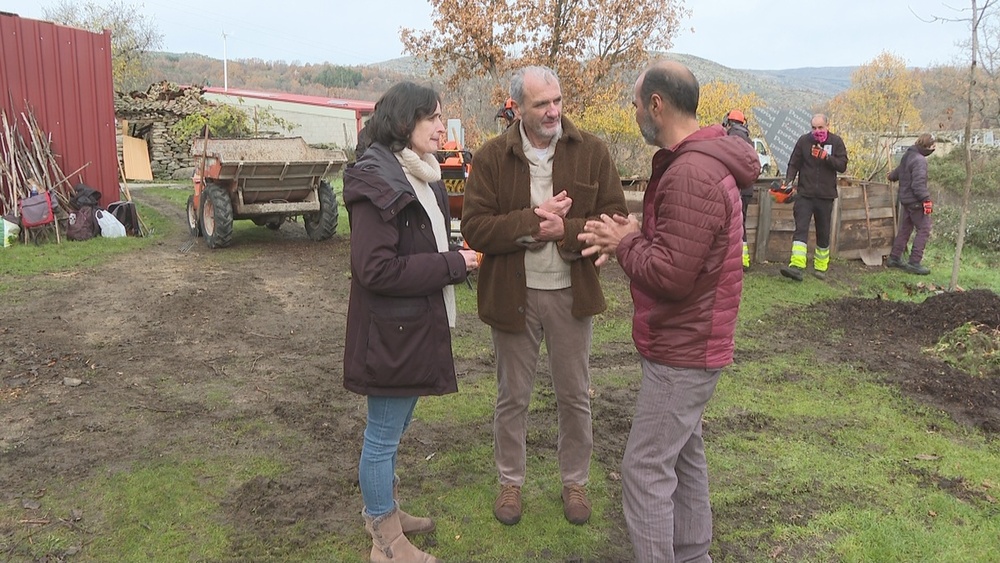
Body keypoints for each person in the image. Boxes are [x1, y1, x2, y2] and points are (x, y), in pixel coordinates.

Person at [578, 60, 759, 562]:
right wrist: (639, 234)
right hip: (696, 341)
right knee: (684, 453)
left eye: (636, 104)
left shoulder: (691, 172)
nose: (634, 113)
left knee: (645, 468)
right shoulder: (700, 162)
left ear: (657, 104)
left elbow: (673, 276)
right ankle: (693, 554)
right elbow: (684, 252)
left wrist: (628, 241)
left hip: (684, 347)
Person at [461, 65, 628, 527]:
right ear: (517, 108)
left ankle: (575, 481)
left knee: (575, 395)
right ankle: (510, 483)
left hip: (570, 295)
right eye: (542, 104)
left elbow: (615, 218)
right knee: (512, 396)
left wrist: (566, 230)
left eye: (557, 100)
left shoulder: (591, 150)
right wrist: (535, 223)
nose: (553, 110)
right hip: (512, 294)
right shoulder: (494, 157)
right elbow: (474, 227)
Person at [342, 81, 479, 563]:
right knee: (381, 437)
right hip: (390, 335)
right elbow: (374, 268)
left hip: (411, 328)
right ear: (405, 122)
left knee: (394, 432)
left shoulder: (421, 174)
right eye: (434, 117)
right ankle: (385, 542)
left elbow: (422, 245)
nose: (442, 126)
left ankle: (388, 511)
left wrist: (453, 257)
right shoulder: (377, 181)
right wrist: (452, 265)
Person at [778, 113, 848, 281]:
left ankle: (820, 267)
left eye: (820, 128)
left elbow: (842, 166)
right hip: (805, 194)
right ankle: (797, 266)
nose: (817, 131)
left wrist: (827, 158)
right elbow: (794, 163)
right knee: (800, 228)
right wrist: (788, 181)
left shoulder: (836, 142)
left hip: (825, 195)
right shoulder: (804, 141)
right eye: (814, 128)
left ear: (827, 126)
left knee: (823, 231)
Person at [886, 133, 935, 275]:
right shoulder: (920, 160)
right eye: (932, 146)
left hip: (905, 200)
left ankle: (894, 257)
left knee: (905, 229)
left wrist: (890, 176)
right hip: (916, 202)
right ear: (926, 146)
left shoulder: (908, 155)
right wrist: (926, 200)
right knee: (924, 229)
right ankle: (914, 262)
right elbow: (918, 185)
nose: (933, 149)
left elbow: (898, 172)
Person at [723, 109, 755, 270]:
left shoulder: (728, 138)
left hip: (735, 189)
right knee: (740, 223)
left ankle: (733, 261)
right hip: (747, 189)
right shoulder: (749, 141)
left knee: (729, 224)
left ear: (728, 122)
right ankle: (743, 260)